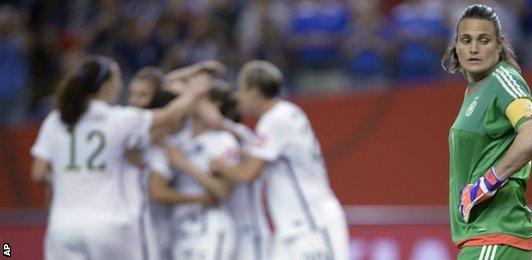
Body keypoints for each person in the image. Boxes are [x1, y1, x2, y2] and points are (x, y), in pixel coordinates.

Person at [30, 55, 209, 260]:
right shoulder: (117, 119)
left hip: (62, 227)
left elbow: (38, 174)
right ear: (105, 85)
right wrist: (193, 93)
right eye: (117, 79)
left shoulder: (56, 120)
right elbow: (167, 115)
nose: (120, 85)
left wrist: (65, 183)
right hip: (108, 225)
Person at [210, 60, 349, 259]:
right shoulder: (288, 112)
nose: (238, 97)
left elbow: (248, 173)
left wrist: (220, 166)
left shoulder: (274, 120)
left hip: (312, 225)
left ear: (254, 92)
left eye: (241, 90)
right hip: (292, 229)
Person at [441, 5, 532, 260]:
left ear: (499, 45)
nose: (474, 48)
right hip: (482, 237)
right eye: (466, 40)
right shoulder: (477, 90)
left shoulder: (503, 80)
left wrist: (488, 182)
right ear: (456, 46)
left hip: (495, 234)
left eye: (484, 40)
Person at [162, 81, 240, 260]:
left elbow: (223, 191)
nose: (188, 101)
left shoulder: (223, 140)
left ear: (213, 104)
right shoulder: (178, 138)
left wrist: (185, 165)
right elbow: (165, 85)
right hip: (180, 227)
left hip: (209, 227)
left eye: (196, 98)